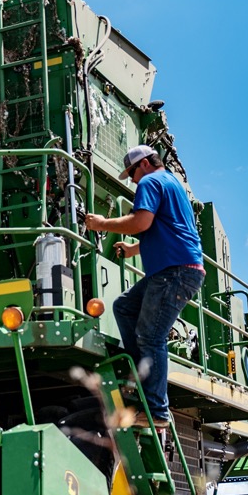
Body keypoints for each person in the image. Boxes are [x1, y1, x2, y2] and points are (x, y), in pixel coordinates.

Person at [84, 144, 205, 428]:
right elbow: (167, 230)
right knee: (124, 306)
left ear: (146, 164)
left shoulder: (151, 181)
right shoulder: (172, 183)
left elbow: (142, 221)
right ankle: (142, 374)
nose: (134, 180)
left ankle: (157, 412)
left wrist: (102, 223)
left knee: (151, 336)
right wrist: (134, 250)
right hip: (177, 267)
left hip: (173, 272)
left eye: (133, 173)